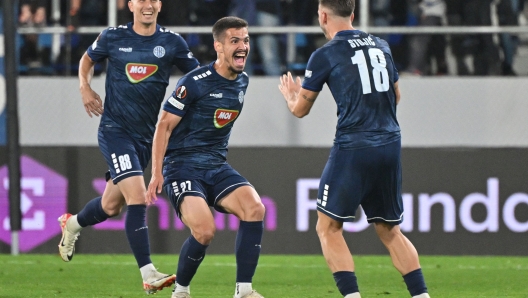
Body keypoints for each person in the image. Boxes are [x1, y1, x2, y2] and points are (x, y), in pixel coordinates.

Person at [278, 1, 431, 297]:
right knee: (389, 230)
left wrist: (291, 96)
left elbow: (300, 111)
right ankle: (422, 295)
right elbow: (396, 95)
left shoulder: (325, 54)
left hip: (354, 146)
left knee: (328, 227)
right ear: (352, 14)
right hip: (389, 143)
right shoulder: (381, 45)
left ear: (323, 16)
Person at [56, 0, 199, 294]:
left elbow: (196, 77)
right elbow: (87, 59)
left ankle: (72, 225)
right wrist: (84, 87)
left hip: (145, 139)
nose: (147, 4)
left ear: (160, 4)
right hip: (115, 131)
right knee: (137, 197)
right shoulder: (112, 36)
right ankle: (148, 274)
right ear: (130, 4)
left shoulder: (172, 42)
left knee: (110, 206)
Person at [146, 16, 265, 298]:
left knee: (255, 209)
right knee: (205, 230)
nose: (243, 46)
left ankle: (244, 291)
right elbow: (163, 125)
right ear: (218, 47)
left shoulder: (242, 82)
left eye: (246, 40)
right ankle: (181, 291)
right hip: (182, 168)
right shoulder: (194, 82)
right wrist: (157, 172)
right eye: (235, 41)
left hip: (216, 166)